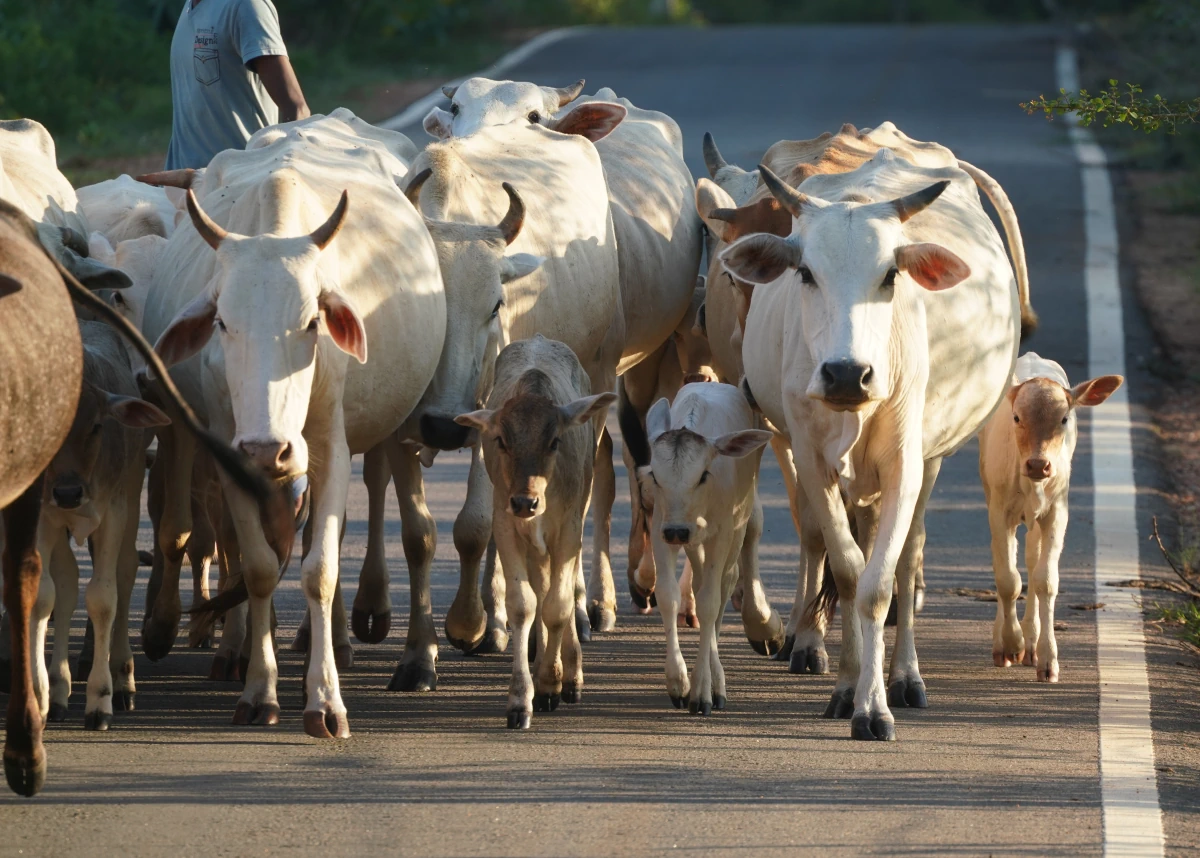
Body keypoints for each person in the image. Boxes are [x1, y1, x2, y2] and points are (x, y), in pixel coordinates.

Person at [165, 0, 310, 170]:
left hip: (239, 184)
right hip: (186, 184)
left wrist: (283, 176)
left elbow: (296, 108)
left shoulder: (246, 6)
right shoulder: (190, 6)